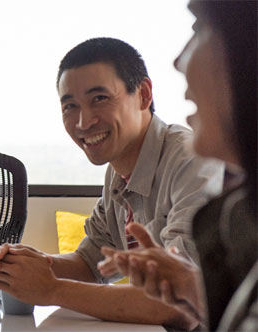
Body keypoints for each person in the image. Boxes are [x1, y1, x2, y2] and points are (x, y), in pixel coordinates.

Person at [0, 37, 224, 329]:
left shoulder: (191, 160)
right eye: (70, 106)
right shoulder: (118, 171)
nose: (83, 122)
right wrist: (28, 265)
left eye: (100, 98)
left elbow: (180, 302)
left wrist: (50, 289)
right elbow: (88, 263)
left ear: (144, 94)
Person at [99, 1, 257, 331]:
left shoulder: (188, 162)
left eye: (200, 29)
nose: (178, 62)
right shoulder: (238, 217)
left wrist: (51, 289)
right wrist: (190, 286)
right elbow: (91, 255)